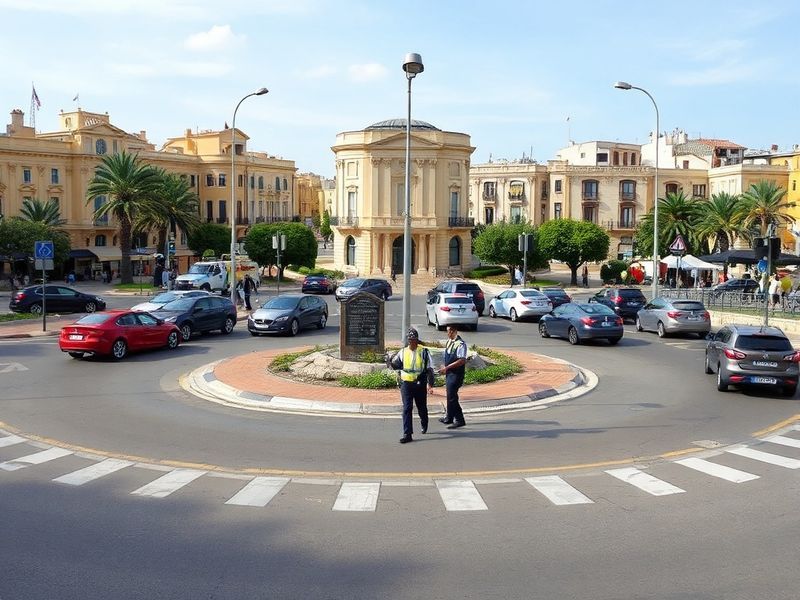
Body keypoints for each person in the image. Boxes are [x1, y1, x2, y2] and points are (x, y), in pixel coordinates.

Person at [386, 328, 434, 444]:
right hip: (406, 384)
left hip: (419, 383)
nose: (411, 342)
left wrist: (430, 384)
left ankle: (424, 422)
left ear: (417, 340)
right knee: (407, 408)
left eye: (413, 340)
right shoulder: (402, 352)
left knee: (421, 407)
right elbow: (395, 365)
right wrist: (389, 362)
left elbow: (429, 370)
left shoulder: (424, 352)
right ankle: (407, 434)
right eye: (409, 340)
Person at [438, 325, 468, 429]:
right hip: (449, 373)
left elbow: (461, 360)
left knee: (452, 397)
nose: (448, 333)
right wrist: (444, 367)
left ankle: (460, 419)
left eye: (449, 331)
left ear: (454, 331)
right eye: (447, 331)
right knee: (449, 395)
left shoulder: (460, 344)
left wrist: (447, 368)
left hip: (456, 374)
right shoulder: (449, 342)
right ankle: (449, 417)